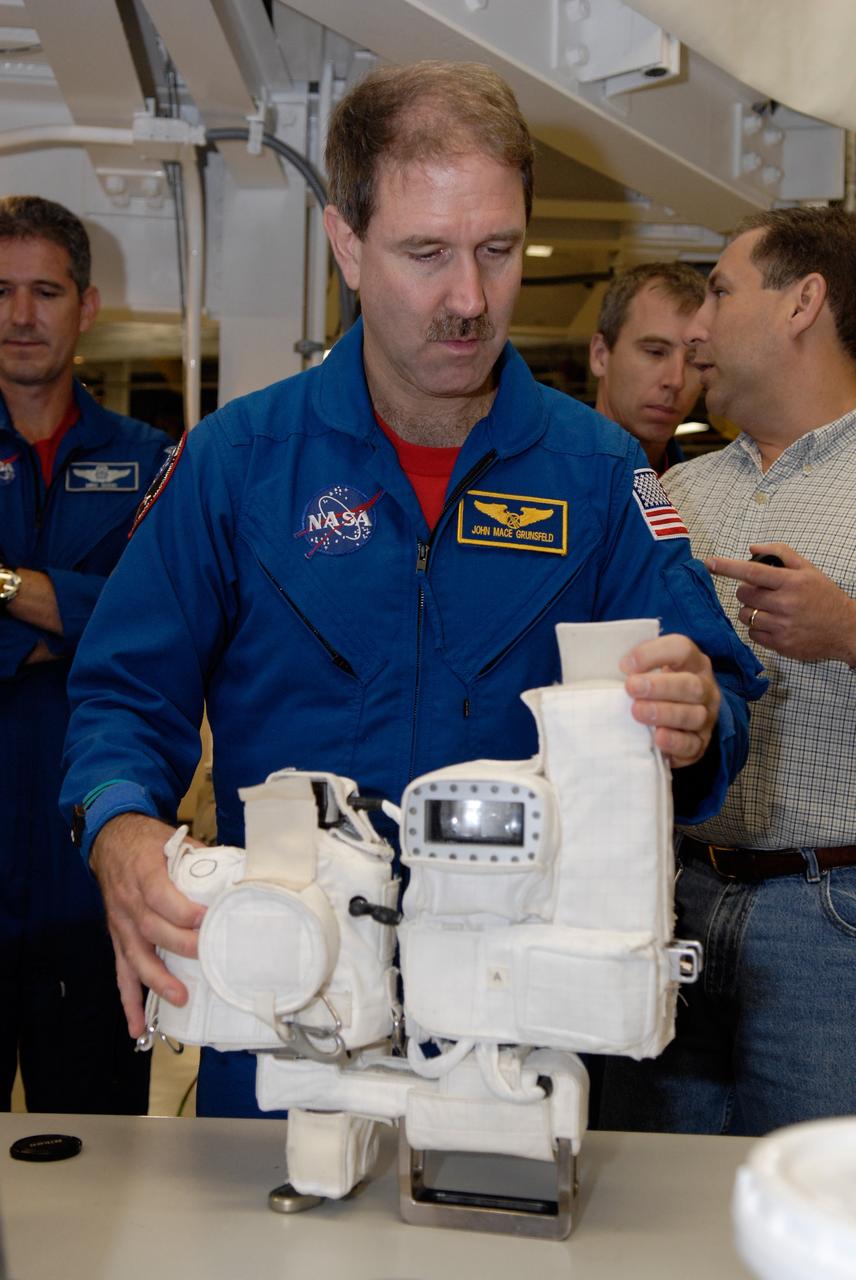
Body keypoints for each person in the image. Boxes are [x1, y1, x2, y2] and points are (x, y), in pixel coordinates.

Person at [61, 61, 764, 1119]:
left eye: (496, 251)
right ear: (346, 241)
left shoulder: (597, 472)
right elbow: (122, 692)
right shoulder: (240, 461)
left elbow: (717, 693)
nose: (469, 300)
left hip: (522, 1043)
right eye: (425, 254)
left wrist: (699, 716)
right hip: (288, 1012)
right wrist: (118, 827)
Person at [598, 206, 856, 1137]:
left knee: (818, 1220)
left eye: (719, 291)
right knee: (651, 1209)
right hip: (675, 906)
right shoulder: (675, 495)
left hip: (833, 925)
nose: (697, 329)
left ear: (804, 303)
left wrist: (850, 631)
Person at [0, 195, 173, 1113]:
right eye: (0, 291)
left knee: (106, 1174)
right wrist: (71, 616)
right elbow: (106, 620)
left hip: (96, 882)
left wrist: (1, 588)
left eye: (45, 291)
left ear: (87, 306)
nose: (21, 316)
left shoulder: (149, 463)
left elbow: (150, 627)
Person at [589, 262, 705, 474]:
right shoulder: (542, 478)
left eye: (694, 360)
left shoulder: (702, 498)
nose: (676, 381)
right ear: (600, 356)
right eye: (655, 352)